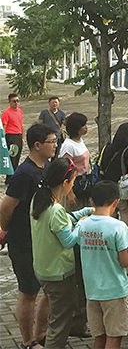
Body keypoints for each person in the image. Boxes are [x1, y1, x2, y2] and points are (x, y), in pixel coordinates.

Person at [0, 123, 55, 349]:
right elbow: (6, 207)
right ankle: (27, 340)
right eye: (51, 142)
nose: (55, 145)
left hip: (42, 240)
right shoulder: (24, 173)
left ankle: (41, 333)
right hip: (24, 241)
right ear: (37, 145)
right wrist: (5, 230)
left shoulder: (46, 167)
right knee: (28, 291)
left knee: (49, 289)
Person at [30, 157, 93, 349]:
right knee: (59, 323)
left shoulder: (39, 199)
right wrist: (83, 224)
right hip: (58, 273)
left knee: (57, 316)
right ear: (65, 182)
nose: (72, 185)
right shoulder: (55, 209)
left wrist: (84, 212)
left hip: (43, 268)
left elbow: (63, 222)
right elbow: (69, 240)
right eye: (72, 181)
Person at [79, 180, 128, 349]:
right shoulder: (118, 227)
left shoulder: (83, 224)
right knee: (114, 337)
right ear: (116, 202)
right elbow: (125, 261)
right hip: (114, 290)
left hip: (91, 290)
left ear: (91, 201)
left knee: (99, 336)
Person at [99, 122, 128, 230]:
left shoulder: (107, 148)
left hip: (106, 189)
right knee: (125, 213)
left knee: (109, 218)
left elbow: (100, 165)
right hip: (121, 191)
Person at [59, 112, 90, 176]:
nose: (86, 127)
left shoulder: (80, 140)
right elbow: (66, 169)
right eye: (83, 125)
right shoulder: (68, 146)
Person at [2, 93, 24, 181]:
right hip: (11, 135)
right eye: (14, 101)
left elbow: (21, 124)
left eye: (18, 101)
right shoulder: (6, 113)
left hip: (18, 135)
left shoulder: (19, 111)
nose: (16, 103)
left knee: (17, 157)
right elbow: (3, 126)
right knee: (12, 157)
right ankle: (9, 178)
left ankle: (14, 175)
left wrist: (22, 137)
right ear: (9, 102)